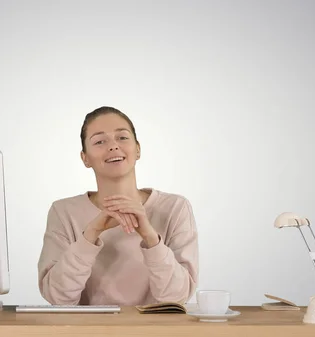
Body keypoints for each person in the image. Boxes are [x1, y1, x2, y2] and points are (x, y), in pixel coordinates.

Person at [37, 106, 199, 306]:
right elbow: (58, 297)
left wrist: (150, 237)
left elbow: (177, 297)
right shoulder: (63, 212)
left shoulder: (175, 208)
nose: (113, 146)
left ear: (138, 149)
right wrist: (91, 234)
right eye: (99, 141)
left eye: (122, 137)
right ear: (85, 158)